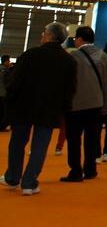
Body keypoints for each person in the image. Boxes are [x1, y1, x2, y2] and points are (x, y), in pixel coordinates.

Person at [1, 23, 77, 195]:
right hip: (49, 109)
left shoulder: (30, 54)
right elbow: (70, 89)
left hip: (23, 106)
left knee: (17, 142)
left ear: (49, 36)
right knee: (40, 146)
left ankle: (12, 177)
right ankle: (29, 183)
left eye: (44, 33)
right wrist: (63, 108)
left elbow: (14, 81)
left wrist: (10, 101)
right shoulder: (69, 61)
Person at [63, 27, 107, 182]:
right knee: (92, 139)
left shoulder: (72, 56)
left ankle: (75, 171)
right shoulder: (103, 56)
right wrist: (106, 105)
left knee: (73, 139)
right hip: (95, 104)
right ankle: (90, 170)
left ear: (79, 39)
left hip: (75, 105)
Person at [0, 54, 11, 132]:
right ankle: (1, 127)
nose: (9, 62)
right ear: (6, 61)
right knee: (3, 111)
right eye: (9, 61)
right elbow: (8, 82)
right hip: (3, 93)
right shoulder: (6, 70)